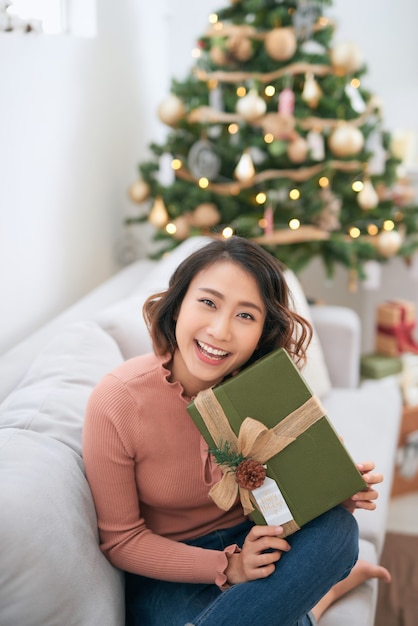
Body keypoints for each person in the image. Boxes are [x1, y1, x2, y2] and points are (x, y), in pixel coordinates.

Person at [83, 236, 390, 626]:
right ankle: (315, 602)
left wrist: (332, 491)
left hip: (257, 541)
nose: (220, 330)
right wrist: (229, 567)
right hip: (168, 573)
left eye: (246, 316)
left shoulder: (267, 390)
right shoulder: (117, 401)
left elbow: (282, 495)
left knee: (340, 531)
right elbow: (122, 541)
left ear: (263, 332)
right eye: (208, 302)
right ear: (177, 306)